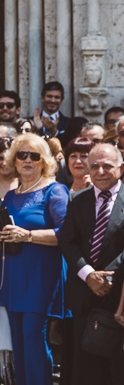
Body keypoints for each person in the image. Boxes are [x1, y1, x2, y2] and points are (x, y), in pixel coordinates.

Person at [0, 133, 69, 385]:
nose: (27, 160)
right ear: (14, 160)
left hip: (41, 275)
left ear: (43, 161)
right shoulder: (11, 196)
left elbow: (66, 234)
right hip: (14, 275)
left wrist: (28, 236)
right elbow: (9, 230)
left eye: (34, 156)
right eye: (21, 155)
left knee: (33, 337)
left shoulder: (55, 190)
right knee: (19, 341)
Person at [58, 144, 124, 385]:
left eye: (107, 165)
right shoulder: (76, 200)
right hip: (84, 297)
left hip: (118, 299)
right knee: (85, 369)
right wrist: (88, 275)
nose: (101, 171)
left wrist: (109, 276)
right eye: (94, 166)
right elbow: (67, 240)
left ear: (121, 168)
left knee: (117, 370)